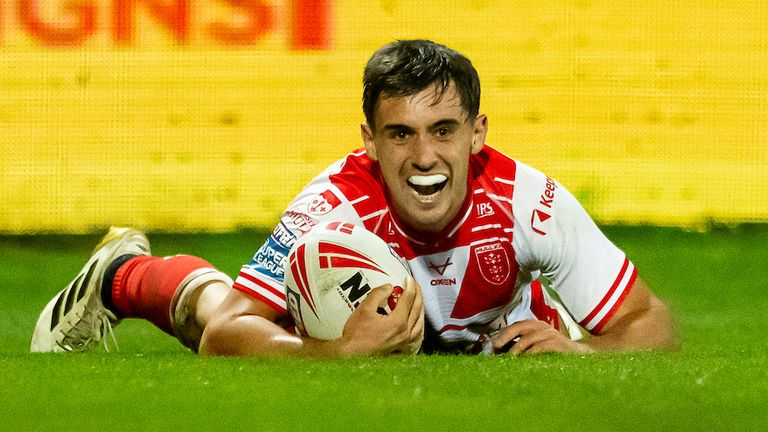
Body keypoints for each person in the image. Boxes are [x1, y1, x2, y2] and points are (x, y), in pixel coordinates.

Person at [31, 39, 678, 356]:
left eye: (444, 131)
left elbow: (651, 324)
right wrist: (329, 353)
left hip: (488, 339)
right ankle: (126, 277)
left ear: (477, 133)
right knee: (263, 323)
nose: (424, 157)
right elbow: (227, 331)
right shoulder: (333, 205)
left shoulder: (529, 202)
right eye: (401, 134)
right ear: (370, 140)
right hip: (350, 324)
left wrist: (580, 350)